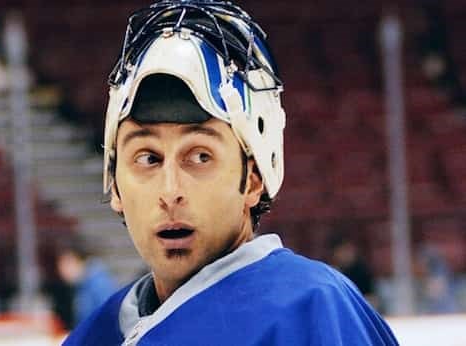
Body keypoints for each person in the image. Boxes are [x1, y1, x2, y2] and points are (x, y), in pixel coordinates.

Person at [63, 1, 398, 345]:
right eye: (148, 158)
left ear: (253, 179)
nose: (169, 191)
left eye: (200, 156)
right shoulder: (95, 335)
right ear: (116, 186)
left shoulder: (312, 312)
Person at [55, 241, 118, 328]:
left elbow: (108, 319)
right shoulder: (81, 285)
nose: (62, 272)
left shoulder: (99, 284)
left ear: (78, 261)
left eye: (66, 265)